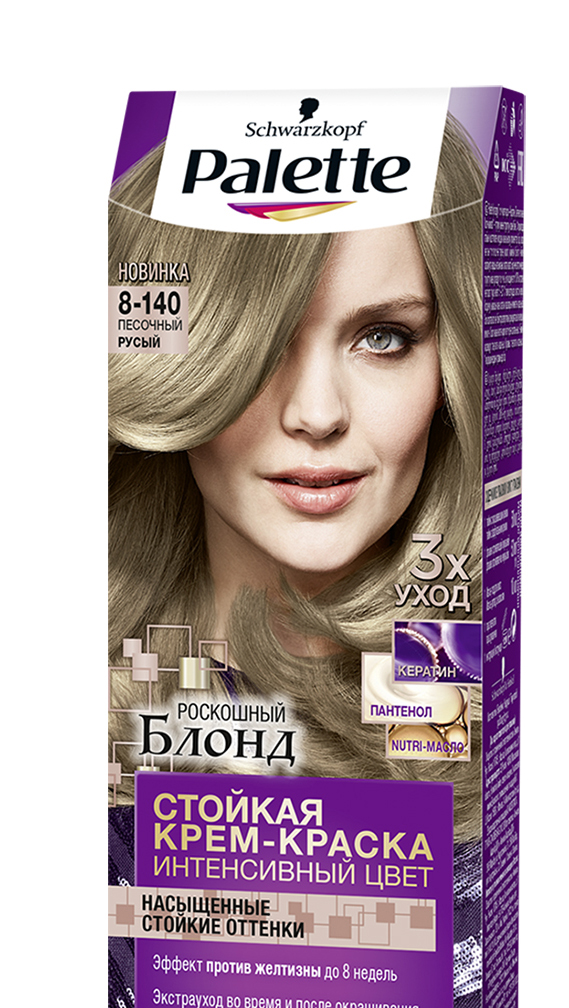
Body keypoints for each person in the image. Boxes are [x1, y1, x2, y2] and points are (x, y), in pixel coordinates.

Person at [108, 117, 483, 839]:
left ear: (451, 369)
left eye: (384, 338)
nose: (317, 414)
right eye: (264, 341)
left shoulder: (476, 693)